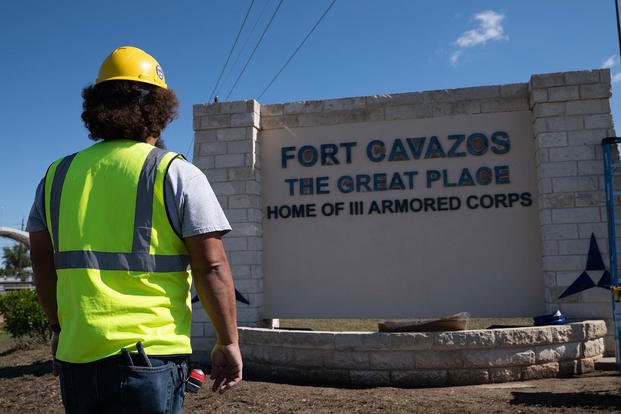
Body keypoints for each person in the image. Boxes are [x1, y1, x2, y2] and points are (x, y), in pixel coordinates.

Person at [27, 46, 242, 413]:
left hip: (78, 359)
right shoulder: (175, 172)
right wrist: (228, 341)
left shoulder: (56, 177)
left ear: (96, 107)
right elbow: (211, 266)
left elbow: (44, 269)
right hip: (151, 360)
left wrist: (58, 330)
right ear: (159, 108)